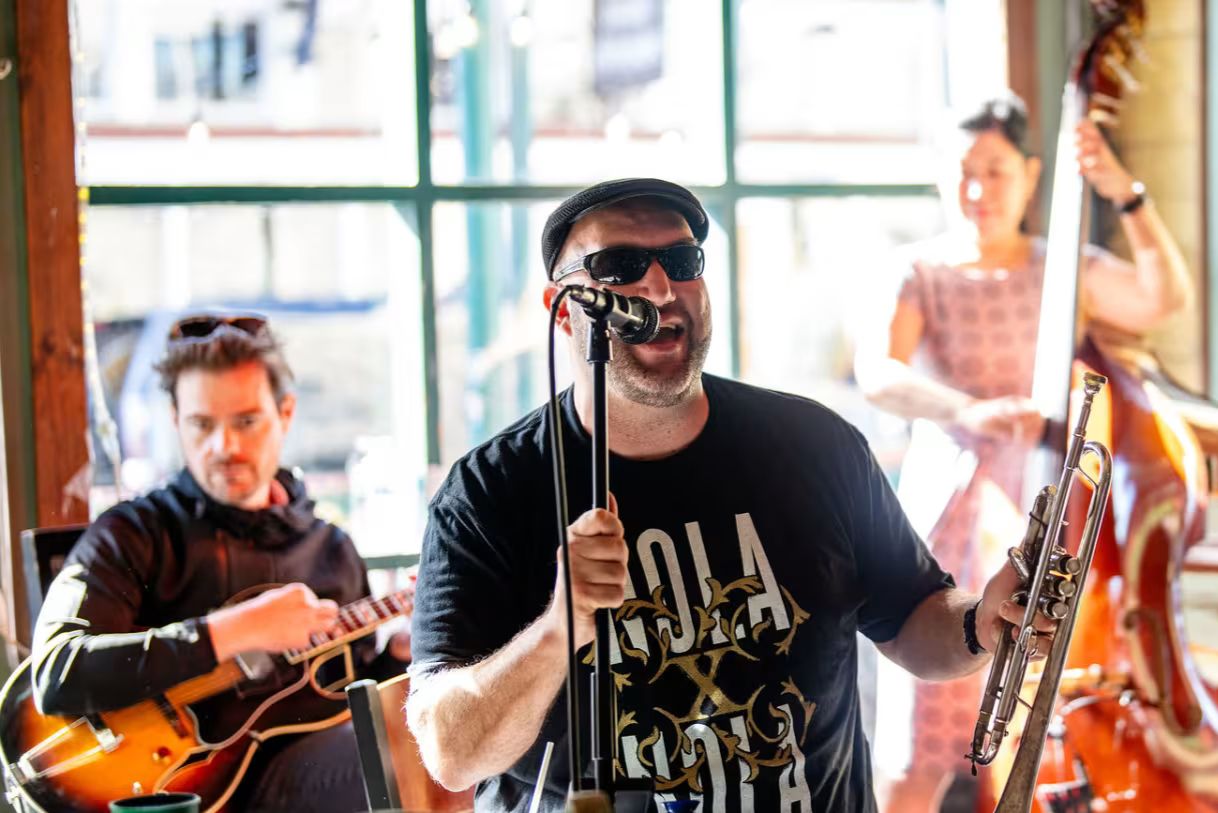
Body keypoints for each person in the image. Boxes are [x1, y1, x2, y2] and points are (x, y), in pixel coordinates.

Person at [406, 178, 1050, 813]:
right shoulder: (488, 495)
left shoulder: (813, 445)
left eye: (682, 261)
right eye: (620, 266)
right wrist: (557, 629)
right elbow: (452, 754)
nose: (660, 289)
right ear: (563, 304)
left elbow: (913, 618)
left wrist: (980, 624)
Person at [853, 94, 1192, 811]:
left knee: (1043, 723)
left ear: (1032, 176)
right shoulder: (917, 269)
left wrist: (1122, 192)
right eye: (964, 171)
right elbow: (878, 371)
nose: (978, 190)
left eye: (997, 172)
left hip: (1050, 509)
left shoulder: (1062, 267)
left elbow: (1165, 298)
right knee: (920, 746)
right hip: (951, 509)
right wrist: (966, 409)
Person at [29, 313, 412, 812]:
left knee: (424, 732)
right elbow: (57, 674)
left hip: (307, 773)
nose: (224, 446)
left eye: (246, 421)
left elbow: (348, 693)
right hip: (182, 790)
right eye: (202, 424)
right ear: (175, 420)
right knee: (396, 753)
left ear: (286, 413)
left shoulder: (331, 550)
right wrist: (229, 631)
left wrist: (400, 653)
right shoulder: (133, 535)